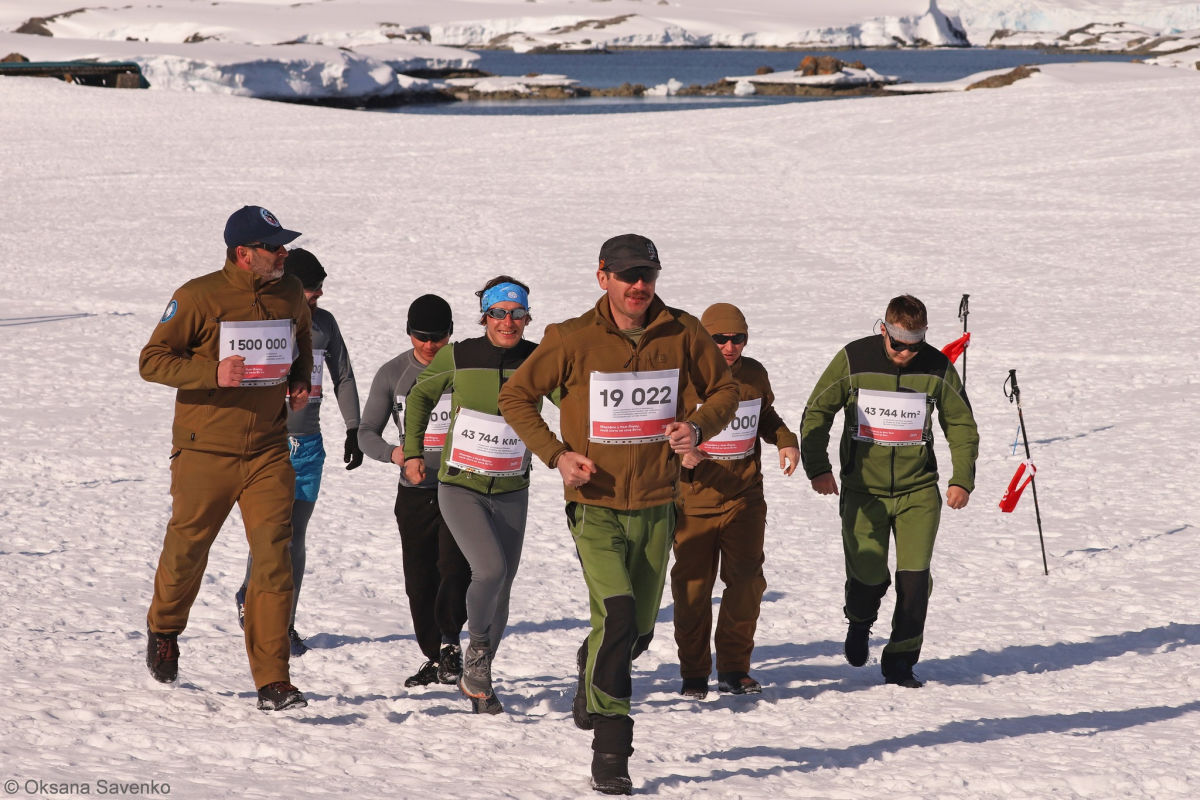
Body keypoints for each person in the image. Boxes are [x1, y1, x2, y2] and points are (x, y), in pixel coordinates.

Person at [498, 234, 739, 795]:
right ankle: (612, 748)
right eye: (628, 275)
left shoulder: (683, 332)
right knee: (620, 613)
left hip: (657, 506)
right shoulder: (571, 337)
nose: (639, 287)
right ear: (602, 275)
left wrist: (698, 427)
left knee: (635, 632)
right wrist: (557, 455)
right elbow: (516, 396)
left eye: (648, 276)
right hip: (595, 506)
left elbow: (724, 390)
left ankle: (593, 662)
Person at [140, 205, 312, 711]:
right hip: (204, 450)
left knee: (273, 557)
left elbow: (301, 341)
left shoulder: (288, 291)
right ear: (243, 254)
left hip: (267, 449)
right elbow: (151, 361)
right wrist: (211, 373)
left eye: (284, 246)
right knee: (188, 549)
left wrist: (299, 378)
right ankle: (165, 628)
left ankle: (272, 679)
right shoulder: (197, 296)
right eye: (273, 247)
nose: (284, 254)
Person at [800, 294, 979, 689]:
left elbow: (961, 424)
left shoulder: (937, 367)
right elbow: (817, 411)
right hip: (863, 491)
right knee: (868, 577)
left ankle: (900, 660)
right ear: (883, 330)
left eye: (913, 346)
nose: (904, 353)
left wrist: (961, 477)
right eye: (897, 344)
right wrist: (818, 467)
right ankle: (860, 620)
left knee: (915, 582)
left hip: (918, 492)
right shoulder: (853, 360)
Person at [402, 277, 537, 715]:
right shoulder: (458, 355)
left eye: (517, 314)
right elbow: (421, 395)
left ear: (527, 318)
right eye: (499, 313)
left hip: (513, 488)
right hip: (461, 485)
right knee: (490, 569)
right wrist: (414, 450)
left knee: (504, 584)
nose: (508, 322)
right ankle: (476, 650)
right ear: (485, 317)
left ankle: (480, 680)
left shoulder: (537, 359)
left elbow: (569, 403)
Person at [234, 248, 362, 657]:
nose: (317, 296)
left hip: (308, 447)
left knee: (296, 537)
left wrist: (355, 428)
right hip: (267, 445)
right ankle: (257, 607)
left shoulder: (324, 325)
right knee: (272, 534)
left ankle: (284, 621)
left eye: (320, 289)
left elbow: (343, 375)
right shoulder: (266, 321)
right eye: (311, 289)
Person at [671, 302, 800, 700]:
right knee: (693, 591)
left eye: (738, 338)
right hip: (693, 502)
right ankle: (694, 674)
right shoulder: (684, 376)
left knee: (746, 585)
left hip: (744, 498)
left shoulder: (754, 374)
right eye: (720, 339)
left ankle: (733, 668)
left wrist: (786, 440)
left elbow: (766, 416)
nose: (729, 346)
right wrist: (680, 451)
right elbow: (653, 425)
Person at [358, 294, 471, 689]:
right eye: (421, 337)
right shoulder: (393, 374)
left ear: (451, 334)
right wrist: (397, 455)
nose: (429, 345)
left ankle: (452, 644)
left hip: (461, 488)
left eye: (438, 337)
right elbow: (366, 433)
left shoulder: (465, 367)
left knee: (455, 569)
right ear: (409, 333)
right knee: (419, 582)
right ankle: (436, 654)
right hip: (415, 492)